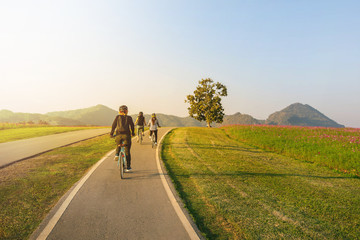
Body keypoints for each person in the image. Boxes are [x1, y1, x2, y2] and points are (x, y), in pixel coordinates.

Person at [110, 105, 135, 172]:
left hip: (118, 135)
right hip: (126, 136)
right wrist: (133, 133)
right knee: (127, 151)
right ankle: (128, 167)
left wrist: (111, 134)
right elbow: (132, 126)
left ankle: (117, 154)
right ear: (126, 111)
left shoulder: (117, 117)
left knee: (118, 144)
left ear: (119, 111)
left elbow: (113, 126)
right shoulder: (129, 118)